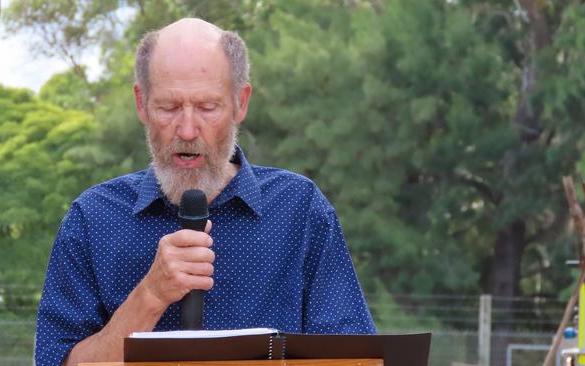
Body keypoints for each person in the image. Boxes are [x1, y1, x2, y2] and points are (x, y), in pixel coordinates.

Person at [34, 18, 375, 366]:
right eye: (168, 107)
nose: (186, 129)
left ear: (240, 103)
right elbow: (56, 361)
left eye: (207, 107)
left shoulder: (299, 210)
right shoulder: (93, 219)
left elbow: (354, 358)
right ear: (141, 103)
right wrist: (150, 295)